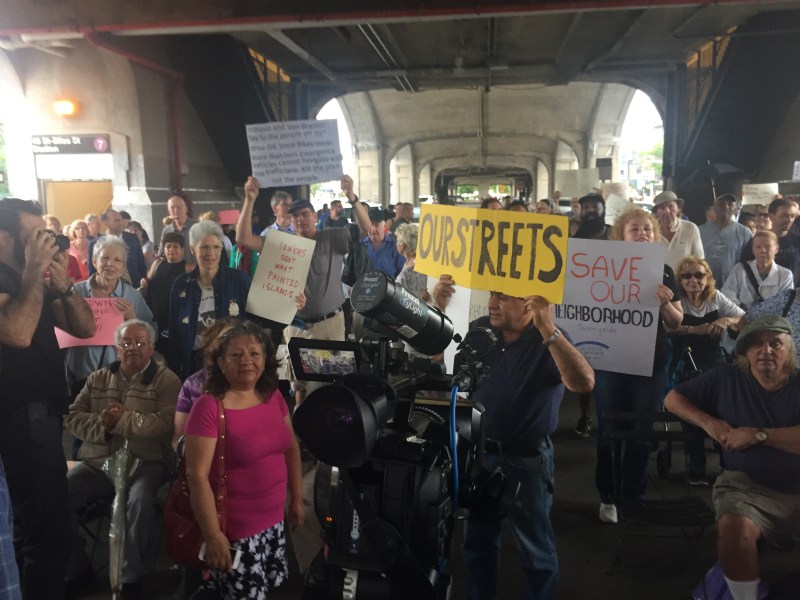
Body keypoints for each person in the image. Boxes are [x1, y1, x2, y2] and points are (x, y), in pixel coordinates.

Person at [432, 276, 594, 600]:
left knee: (535, 549)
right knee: (477, 543)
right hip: (478, 454)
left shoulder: (547, 339)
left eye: (503, 297)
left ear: (530, 304)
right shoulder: (481, 329)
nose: (492, 303)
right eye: (493, 294)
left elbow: (583, 382)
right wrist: (438, 306)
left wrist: (549, 329)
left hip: (527, 459)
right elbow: (438, 357)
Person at [664, 315, 800, 600]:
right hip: (746, 485)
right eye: (756, 345)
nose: (766, 351)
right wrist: (709, 423)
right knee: (733, 529)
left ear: (789, 349)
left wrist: (757, 435)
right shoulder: (726, 377)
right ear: (744, 352)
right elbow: (672, 400)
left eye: (776, 343)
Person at [0, 198, 95, 600]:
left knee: (35, 528)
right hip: (19, 417)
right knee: (47, 532)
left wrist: (64, 286)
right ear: (4, 239)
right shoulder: (10, 282)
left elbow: (85, 328)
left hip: (44, 416)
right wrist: (31, 279)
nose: (46, 243)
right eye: (33, 237)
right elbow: (17, 333)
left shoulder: (31, 281)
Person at [184, 321, 303, 599]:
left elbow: (292, 449)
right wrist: (213, 535)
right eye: (236, 355)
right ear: (221, 363)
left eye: (254, 353)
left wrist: (296, 497)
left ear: (265, 359)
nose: (246, 361)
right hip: (235, 532)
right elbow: (197, 476)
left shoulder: (272, 396)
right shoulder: (209, 407)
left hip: (274, 523)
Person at [64, 320, 181, 600]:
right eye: (126, 343)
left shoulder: (168, 381)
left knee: (139, 500)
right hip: (99, 462)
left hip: (146, 462)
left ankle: (130, 577)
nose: (133, 348)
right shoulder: (99, 378)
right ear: (117, 349)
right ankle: (78, 568)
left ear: (152, 348)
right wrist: (103, 425)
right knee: (60, 494)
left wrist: (123, 421)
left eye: (140, 342)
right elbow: (72, 416)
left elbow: (165, 423)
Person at [236, 175, 369, 405]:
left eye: (305, 214)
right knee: (300, 387)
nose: (300, 219)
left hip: (330, 324)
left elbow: (366, 229)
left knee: (333, 383)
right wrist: (249, 199)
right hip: (297, 326)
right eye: (295, 215)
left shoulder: (332, 238)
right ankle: (300, 434)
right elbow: (243, 238)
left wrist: (352, 197)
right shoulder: (282, 244)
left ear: (316, 217)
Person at [593, 209, 683, 524]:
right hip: (609, 363)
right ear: (621, 235)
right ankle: (608, 495)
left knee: (641, 432)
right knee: (608, 430)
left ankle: (634, 495)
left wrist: (666, 303)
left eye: (647, 228)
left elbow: (675, 323)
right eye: (635, 229)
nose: (642, 233)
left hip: (651, 364)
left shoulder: (666, 271)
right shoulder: (601, 270)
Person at [665, 256, 744, 484]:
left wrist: (725, 321)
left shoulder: (715, 298)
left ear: (708, 278)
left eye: (699, 275)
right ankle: (696, 467)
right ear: (680, 280)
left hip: (712, 361)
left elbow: (741, 317)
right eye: (687, 276)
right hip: (682, 360)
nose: (693, 280)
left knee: (723, 409)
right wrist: (694, 329)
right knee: (692, 413)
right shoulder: (676, 300)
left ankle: (727, 465)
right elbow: (665, 328)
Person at [65, 237, 155, 396]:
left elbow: (152, 334)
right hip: (79, 377)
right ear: (94, 261)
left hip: (118, 379)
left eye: (117, 260)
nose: (110, 264)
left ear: (123, 266)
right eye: (104, 258)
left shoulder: (132, 296)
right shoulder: (75, 292)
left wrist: (134, 320)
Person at [167, 221, 252, 380]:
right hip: (193, 363)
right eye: (204, 247)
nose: (210, 253)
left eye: (215, 247)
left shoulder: (237, 279)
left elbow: (256, 319)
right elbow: (174, 331)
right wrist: (174, 370)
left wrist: (289, 307)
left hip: (231, 361)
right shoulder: (181, 284)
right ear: (192, 249)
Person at [570, 192, 610, 438]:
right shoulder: (576, 237)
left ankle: (607, 416)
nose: (590, 210)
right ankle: (585, 415)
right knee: (584, 364)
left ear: (603, 209)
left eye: (595, 205)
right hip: (584, 309)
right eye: (586, 207)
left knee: (610, 367)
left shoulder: (616, 234)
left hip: (613, 307)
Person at [140, 232, 194, 355]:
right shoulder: (157, 263)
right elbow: (147, 281)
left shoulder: (189, 268)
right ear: (163, 249)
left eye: (175, 247)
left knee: (175, 350)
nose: (171, 250)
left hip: (177, 314)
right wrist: (144, 281)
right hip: (156, 312)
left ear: (182, 249)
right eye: (168, 246)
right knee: (156, 348)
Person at [722, 230, 793, 310]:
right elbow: (728, 295)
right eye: (758, 247)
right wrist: (742, 316)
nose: (762, 250)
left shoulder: (785, 275)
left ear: (776, 249)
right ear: (753, 249)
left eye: (767, 246)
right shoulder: (740, 269)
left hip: (771, 320)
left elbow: (784, 304)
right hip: (740, 318)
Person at [740, 198, 800, 283]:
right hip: (763, 291)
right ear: (771, 216)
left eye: (792, 216)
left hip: (793, 292)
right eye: (784, 216)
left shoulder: (797, 240)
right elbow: (745, 268)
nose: (789, 220)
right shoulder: (757, 241)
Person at [699, 194, 753, 285]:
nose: (726, 207)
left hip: (734, 288)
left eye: (730, 204)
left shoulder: (744, 233)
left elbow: (750, 262)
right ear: (714, 207)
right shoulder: (700, 231)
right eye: (721, 204)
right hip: (704, 287)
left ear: (735, 208)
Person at [87, 209, 148, 286]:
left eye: (121, 220)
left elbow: (141, 263)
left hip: (134, 286)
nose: (121, 223)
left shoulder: (132, 238)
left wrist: (143, 281)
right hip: (107, 289)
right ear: (106, 223)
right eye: (116, 220)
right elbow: (92, 272)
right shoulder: (95, 244)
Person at [651, 191, 704, 272]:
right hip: (656, 282)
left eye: (671, 206)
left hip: (683, 282)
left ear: (678, 209)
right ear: (657, 212)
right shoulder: (650, 230)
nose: (666, 211)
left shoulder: (690, 228)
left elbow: (699, 261)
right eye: (662, 208)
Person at [361, 207, 405, 280]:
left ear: (384, 226)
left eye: (377, 225)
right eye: (370, 225)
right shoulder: (360, 247)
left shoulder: (395, 246)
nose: (372, 230)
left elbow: (401, 273)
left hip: (389, 289)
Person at [394, 223, 429, 300]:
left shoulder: (408, 272)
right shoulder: (425, 265)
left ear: (402, 246)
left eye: (397, 241)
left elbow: (397, 296)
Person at [159, 196, 197, 265]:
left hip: (195, 271)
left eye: (179, 206)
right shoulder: (167, 230)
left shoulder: (197, 227)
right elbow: (162, 254)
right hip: (175, 272)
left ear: (186, 208)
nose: (176, 210)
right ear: (169, 211)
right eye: (172, 207)